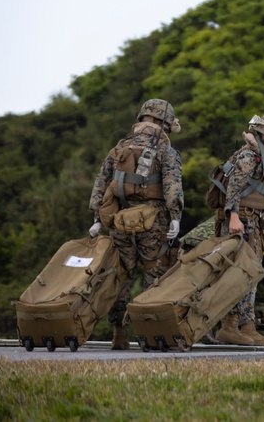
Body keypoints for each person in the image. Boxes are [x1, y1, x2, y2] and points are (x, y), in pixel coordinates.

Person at [88, 98, 184, 350]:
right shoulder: (166, 151)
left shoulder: (119, 148)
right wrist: (176, 217)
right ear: (165, 123)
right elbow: (173, 188)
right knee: (154, 275)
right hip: (153, 222)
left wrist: (97, 220)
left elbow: (100, 185)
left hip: (120, 221)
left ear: (142, 119)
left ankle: (118, 334)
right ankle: (149, 334)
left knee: (122, 275)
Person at [213, 114, 264, 347]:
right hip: (242, 222)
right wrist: (234, 216)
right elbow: (235, 185)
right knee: (242, 272)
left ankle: (247, 326)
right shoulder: (250, 156)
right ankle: (229, 326)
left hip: (252, 222)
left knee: (251, 273)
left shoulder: (259, 156)